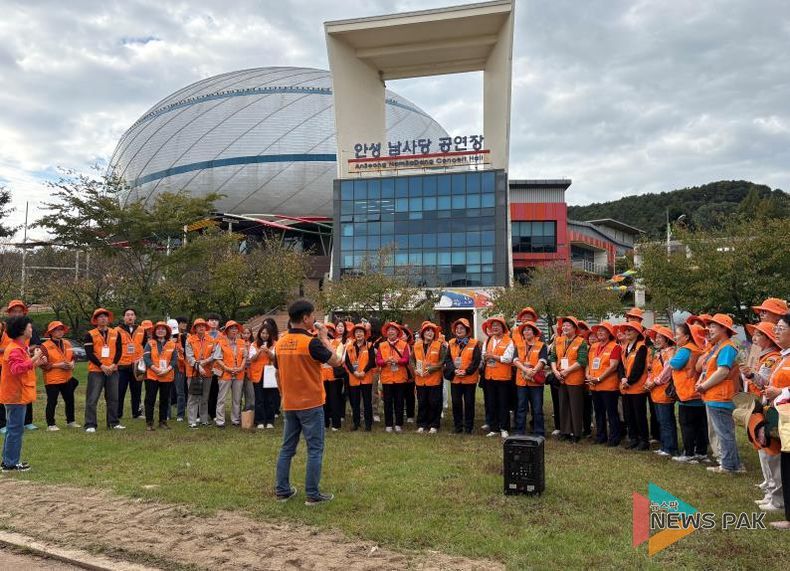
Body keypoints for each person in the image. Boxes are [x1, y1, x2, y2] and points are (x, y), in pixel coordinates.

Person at [274, 299, 341, 505]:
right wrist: (324, 338)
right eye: (313, 316)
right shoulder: (310, 342)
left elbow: (277, 373)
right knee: (314, 449)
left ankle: (282, 490)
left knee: (287, 448)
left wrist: (284, 394)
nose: (315, 320)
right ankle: (312, 494)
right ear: (305, 318)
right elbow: (337, 360)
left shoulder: (280, 342)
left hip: (290, 402)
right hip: (311, 403)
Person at [743, 320, 782, 512]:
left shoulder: (773, 358)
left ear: (768, 338)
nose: (754, 338)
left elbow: (762, 383)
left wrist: (751, 375)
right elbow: (749, 375)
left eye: (758, 335)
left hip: (766, 405)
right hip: (757, 404)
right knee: (762, 447)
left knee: (770, 450)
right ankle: (770, 488)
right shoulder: (760, 355)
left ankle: (775, 494)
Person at [695, 314, 743, 473]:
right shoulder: (719, 347)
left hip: (721, 397)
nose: (710, 329)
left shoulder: (726, 347)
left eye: (714, 326)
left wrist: (704, 386)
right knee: (724, 432)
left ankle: (729, 466)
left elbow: (723, 371)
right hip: (715, 396)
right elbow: (708, 370)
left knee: (724, 433)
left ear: (724, 329)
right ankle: (734, 464)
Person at [1, 316, 46, 471]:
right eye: (29, 327)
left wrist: (36, 362)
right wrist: (35, 357)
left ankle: (8, 461)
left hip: (18, 394)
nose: (31, 329)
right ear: (21, 330)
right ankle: (10, 464)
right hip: (15, 395)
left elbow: (24, 368)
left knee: (13, 429)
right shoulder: (14, 349)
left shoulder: (19, 347)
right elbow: (16, 369)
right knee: (15, 429)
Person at [762, 312, 790, 529]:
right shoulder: (783, 357)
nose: (776, 332)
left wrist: (780, 391)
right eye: (776, 328)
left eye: (781, 328)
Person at [670, 322, 708, 463]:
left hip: (688, 393)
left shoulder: (685, 350)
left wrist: (671, 356)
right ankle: (701, 452)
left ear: (686, 337)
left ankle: (689, 453)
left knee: (687, 425)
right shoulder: (698, 349)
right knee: (700, 425)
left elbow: (674, 364)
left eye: (678, 335)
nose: (675, 337)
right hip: (699, 393)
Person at [0, 300, 40, 432]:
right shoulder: (4, 328)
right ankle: (3, 424)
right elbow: (16, 367)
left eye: (20, 311)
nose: (17, 313)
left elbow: (35, 344)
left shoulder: (27, 329)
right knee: (10, 395)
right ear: (9, 313)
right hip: (7, 365)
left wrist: (32, 356)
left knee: (25, 390)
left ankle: (27, 421)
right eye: (14, 311)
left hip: (23, 363)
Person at [84, 308, 124, 433]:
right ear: (95, 320)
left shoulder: (115, 333)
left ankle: (113, 422)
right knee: (92, 398)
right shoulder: (89, 334)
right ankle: (90, 424)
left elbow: (119, 351)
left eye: (105, 316)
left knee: (113, 398)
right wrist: (102, 366)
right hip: (96, 370)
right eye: (100, 317)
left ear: (108, 319)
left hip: (112, 369)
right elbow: (89, 354)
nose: (103, 318)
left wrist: (113, 365)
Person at [550, 316, 589, 442]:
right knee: (563, 405)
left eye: (568, 325)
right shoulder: (558, 340)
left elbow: (582, 361)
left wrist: (566, 371)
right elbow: (553, 358)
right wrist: (556, 371)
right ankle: (565, 431)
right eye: (564, 325)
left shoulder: (581, 342)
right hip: (561, 378)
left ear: (574, 328)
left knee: (575, 406)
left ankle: (576, 433)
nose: (565, 327)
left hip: (575, 379)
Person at [644, 325, 679, 457]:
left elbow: (667, 371)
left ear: (667, 339)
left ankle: (670, 448)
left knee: (666, 421)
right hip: (656, 392)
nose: (657, 340)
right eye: (656, 337)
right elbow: (653, 370)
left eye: (660, 337)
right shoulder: (659, 353)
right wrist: (649, 381)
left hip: (663, 391)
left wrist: (655, 382)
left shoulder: (670, 352)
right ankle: (665, 446)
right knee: (661, 420)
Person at [585, 322, 622, 446]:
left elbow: (613, 366)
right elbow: (588, 363)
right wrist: (587, 375)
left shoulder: (615, 347)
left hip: (608, 386)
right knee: (599, 412)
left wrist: (600, 378)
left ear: (609, 333)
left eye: (603, 331)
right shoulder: (593, 346)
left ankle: (614, 438)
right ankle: (601, 436)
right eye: (598, 331)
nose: (599, 333)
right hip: (594, 385)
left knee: (611, 413)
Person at [443, 318, 481, 434]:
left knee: (469, 403)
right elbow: (448, 359)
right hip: (455, 379)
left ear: (467, 330)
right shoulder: (451, 343)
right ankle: (458, 426)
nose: (459, 330)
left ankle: (469, 427)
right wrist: (454, 370)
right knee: (456, 403)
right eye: (457, 328)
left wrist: (466, 371)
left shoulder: (474, 343)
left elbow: (476, 360)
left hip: (469, 379)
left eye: (462, 328)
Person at [40, 321, 79, 431]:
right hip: (52, 379)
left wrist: (72, 364)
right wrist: (59, 365)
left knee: (70, 400)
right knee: (52, 401)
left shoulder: (67, 343)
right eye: (57, 329)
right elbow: (43, 365)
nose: (60, 331)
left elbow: (73, 357)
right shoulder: (45, 346)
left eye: (61, 329)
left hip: (67, 377)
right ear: (51, 332)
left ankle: (71, 421)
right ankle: (51, 424)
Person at [481, 316, 515, 438]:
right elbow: (484, 355)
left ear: (503, 328)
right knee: (491, 403)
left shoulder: (509, 341)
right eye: (493, 326)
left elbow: (508, 358)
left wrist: (493, 357)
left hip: (503, 378)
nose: (495, 328)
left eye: (497, 325)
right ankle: (494, 428)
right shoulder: (488, 340)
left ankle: (504, 428)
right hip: (489, 377)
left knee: (503, 404)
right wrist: (488, 356)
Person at [411, 321, 447, 434]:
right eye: (427, 330)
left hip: (434, 379)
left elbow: (442, 361)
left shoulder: (440, 345)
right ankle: (422, 424)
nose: (429, 333)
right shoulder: (416, 345)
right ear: (423, 333)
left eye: (432, 331)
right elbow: (412, 359)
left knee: (434, 403)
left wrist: (431, 369)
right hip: (420, 379)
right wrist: (415, 368)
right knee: (422, 402)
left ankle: (434, 425)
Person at [618, 321, 649, 451]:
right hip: (626, 388)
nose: (627, 332)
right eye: (626, 330)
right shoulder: (625, 347)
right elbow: (620, 365)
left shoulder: (642, 347)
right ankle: (633, 438)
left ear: (637, 332)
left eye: (630, 330)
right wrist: (622, 378)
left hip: (637, 388)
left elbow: (639, 367)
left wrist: (629, 381)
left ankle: (643, 440)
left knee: (639, 415)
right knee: (628, 415)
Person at [512, 321, 547, 437]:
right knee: (521, 408)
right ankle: (519, 431)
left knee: (537, 408)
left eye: (529, 330)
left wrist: (533, 371)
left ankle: (539, 432)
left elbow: (543, 360)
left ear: (534, 332)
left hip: (535, 383)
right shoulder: (519, 345)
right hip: (521, 382)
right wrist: (525, 370)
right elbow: (515, 360)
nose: (526, 332)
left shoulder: (541, 345)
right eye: (524, 330)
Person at [142, 321, 179, 431]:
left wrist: (167, 370)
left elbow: (174, 360)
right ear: (155, 331)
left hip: (167, 376)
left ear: (167, 331)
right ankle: (149, 422)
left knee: (164, 399)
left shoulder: (172, 344)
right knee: (150, 399)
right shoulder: (150, 343)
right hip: (152, 376)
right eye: (158, 329)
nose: (161, 330)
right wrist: (155, 369)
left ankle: (163, 421)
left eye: (163, 329)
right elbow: (146, 358)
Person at [376, 322, 410, 433]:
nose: (391, 331)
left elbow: (406, 360)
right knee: (387, 402)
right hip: (387, 378)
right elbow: (378, 361)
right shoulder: (382, 345)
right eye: (389, 330)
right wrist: (385, 361)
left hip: (400, 378)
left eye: (393, 330)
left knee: (399, 402)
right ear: (386, 332)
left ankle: (399, 424)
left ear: (397, 332)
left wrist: (397, 361)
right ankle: (388, 424)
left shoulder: (404, 345)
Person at [213, 320, 248, 428]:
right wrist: (227, 368)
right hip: (225, 374)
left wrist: (241, 367)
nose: (234, 330)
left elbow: (245, 357)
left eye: (236, 328)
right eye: (232, 328)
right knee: (222, 398)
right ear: (227, 330)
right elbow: (217, 358)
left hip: (239, 374)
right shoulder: (221, 342)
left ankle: (236, 420)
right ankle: (220, 421)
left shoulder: (242, 342)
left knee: (237, 399)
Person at [184, 318, 217, 429]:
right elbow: (189, 357)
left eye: (203, 326)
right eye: (198, 326)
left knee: (205, 397)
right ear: (195, 328)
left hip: (207, 372)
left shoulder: (211, 340)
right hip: (193, 373)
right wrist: (198, 366)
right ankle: (192, 421)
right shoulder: (189, 340)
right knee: (193, 397)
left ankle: (203, 419)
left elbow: (214, 355)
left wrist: (204, 362)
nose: (201, 327)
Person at [344, 323, 375, 431]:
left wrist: (363, 372)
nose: (359, 334)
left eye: (361, 332)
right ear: (354, 334)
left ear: (365, 334)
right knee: (355, 402)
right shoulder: (349, 346)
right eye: (356, 332)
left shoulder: (369, 345)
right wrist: (354, 372)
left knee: (367, 402)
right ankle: (356, 423)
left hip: (366, 378)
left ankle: (368, 424)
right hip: (354, 378)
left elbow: (372, 361)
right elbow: (347, 362)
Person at [115, 308, 145, 420]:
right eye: (127, 315)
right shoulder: (117, 330)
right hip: (122, 365)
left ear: (135, 317)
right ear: (124, 317)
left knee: (137, 390)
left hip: (137, 365)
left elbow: (145, 346)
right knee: (120, 390)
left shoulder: (142, 330)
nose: (130, 317)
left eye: (132, 314)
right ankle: (118, 413)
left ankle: (136, 413)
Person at [250, 321, 278, 429]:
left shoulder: (275, 344)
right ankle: (260, 421)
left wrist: (267, 351)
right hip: (258, 374)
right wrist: (259, 352)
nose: (264, 335)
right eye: (263, 333)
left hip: (270, 374)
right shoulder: (254, 344)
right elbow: (252, 359)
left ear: (270, 334)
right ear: (259, 334)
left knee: (270, 399)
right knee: (259, 399)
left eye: (267, 333)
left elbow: (275, 358)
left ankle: (270, 420)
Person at [320, 323, 343, 431]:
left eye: (330, 330)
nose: (328, 332)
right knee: (323, 400)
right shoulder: (318, 344)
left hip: (334, 376)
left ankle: (336, 424)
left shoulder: (338, 343)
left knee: (335, 399)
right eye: (326, 330)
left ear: (333, 332)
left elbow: (338, 358)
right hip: (321, 375)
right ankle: (324, 423)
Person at [169, 317, 189, 422]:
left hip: (179, 366)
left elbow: (187, 352)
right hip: (166, 367)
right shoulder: (163, 337)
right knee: (167, 391)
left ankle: (180, 414)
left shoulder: (184, 337)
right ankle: (166, 414)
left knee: (180, 391)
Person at [205, 313, 222, 420]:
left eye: (216, 320)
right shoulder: (203, 334)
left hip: (217, 367)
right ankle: (202, 413)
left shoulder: (222, 335)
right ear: (207, 322)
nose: (214, 322)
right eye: (211, 320)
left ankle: (213, 413)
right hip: (205, 366)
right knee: (204, 391)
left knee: (215, 390)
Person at [401, 325, 417, 424]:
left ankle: (410, 415)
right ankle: (401, 412)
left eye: (403, 334)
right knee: (399, 395)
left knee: (410, 395)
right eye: (400, 334)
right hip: (398, 374)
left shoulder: (412, 347)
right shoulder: (393, 346)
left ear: (408, 336)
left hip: (410, 374)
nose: (401, 336)